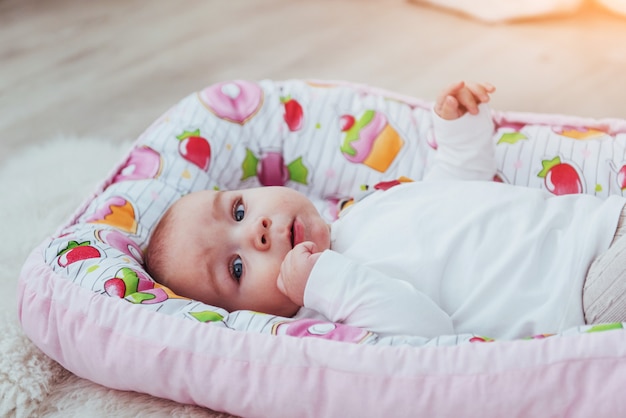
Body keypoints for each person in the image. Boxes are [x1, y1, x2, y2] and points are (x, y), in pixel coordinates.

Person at [144, 81, 626, 339]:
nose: (259, 234)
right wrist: (325, 281)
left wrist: (460, 132)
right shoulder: (334, 318)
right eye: (236, 267)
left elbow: (453, 191)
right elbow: (427, 331)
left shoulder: (363, 210)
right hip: (581, 292)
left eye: (239, 211)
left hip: (598, 220)